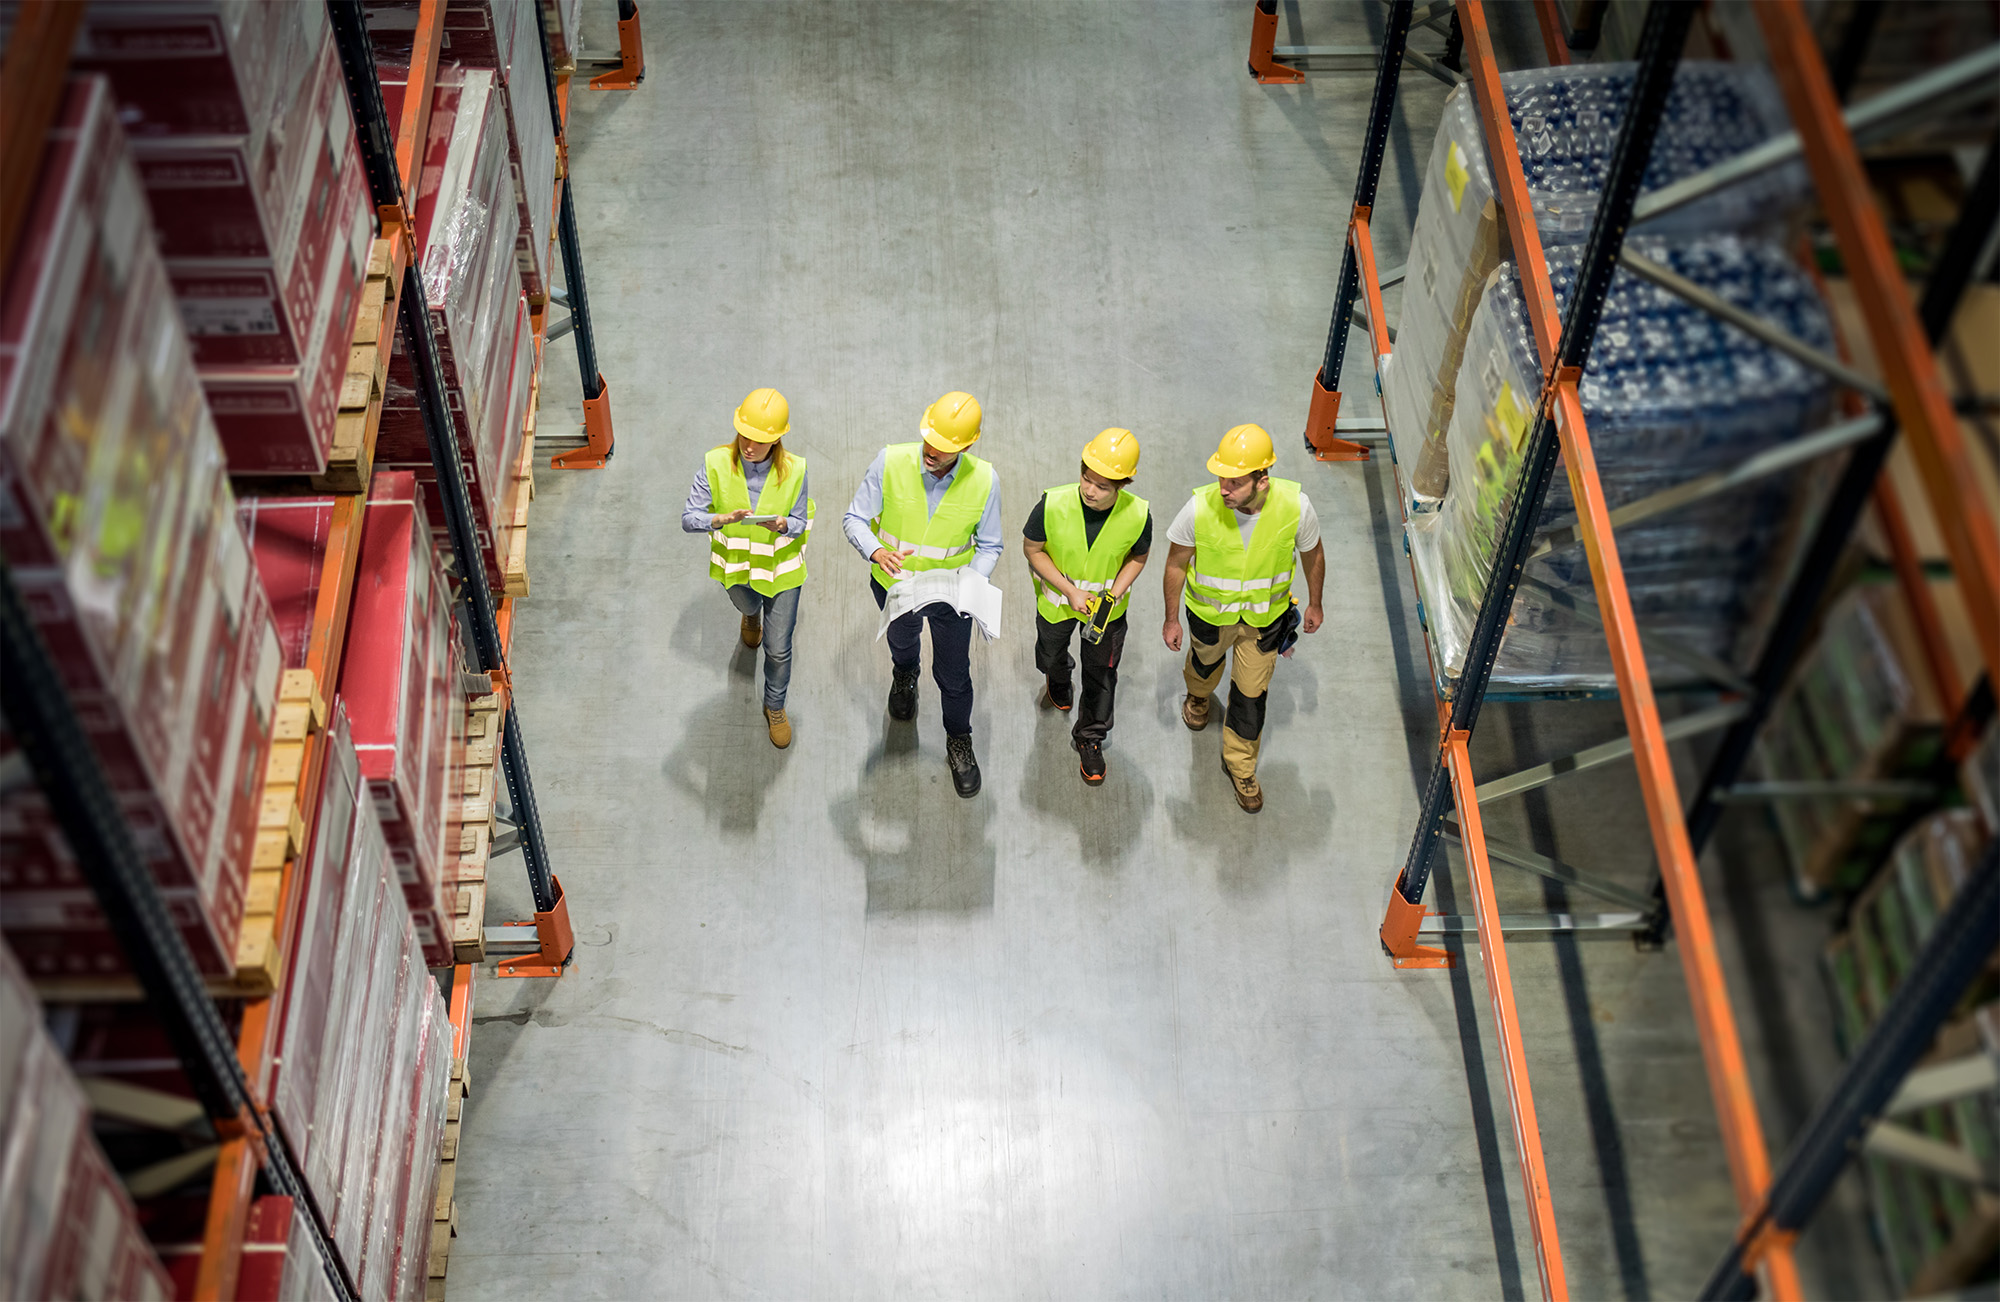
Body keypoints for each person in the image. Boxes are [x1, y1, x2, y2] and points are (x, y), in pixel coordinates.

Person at [843, 390, 1002, 797]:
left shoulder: (985, 480)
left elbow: (989, 545)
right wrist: (876, 551)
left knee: (954, 674)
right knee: (902, 642)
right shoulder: (891, 461)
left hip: (952, 598)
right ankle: (905, 674)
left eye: (946, 447)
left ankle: (958, 739)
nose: (932, 450)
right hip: (896, 588)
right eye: (929, 439)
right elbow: (855, 518)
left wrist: (970, 585)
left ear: (967, 446)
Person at [1159, 424, 1325, 813]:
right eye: (1220, 478)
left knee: (1250, 697)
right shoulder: (1198, 507)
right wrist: (1171, 619)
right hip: (1210, 618)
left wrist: (1315, 603)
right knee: (1203, 666)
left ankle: (1241, 766)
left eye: (1234, 482)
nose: (1223, 489)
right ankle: (1198, 697)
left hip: (1264, 622)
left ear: (1262, 480)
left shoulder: (1296, 507)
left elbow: (1313, 556)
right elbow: (1175, 564)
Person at [682, 387, 812, 749]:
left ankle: (775, 705)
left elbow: (802, 522)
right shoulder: (715, 463)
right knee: (748, 605)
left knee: (778, 649)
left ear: (776, 440)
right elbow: (688, 519)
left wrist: (786, 525)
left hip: (782, 572)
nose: (749, 446)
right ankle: (751, 614)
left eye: (759, 440)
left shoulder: (796, 469)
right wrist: (717, 519)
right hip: (738, 571)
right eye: (744, 436)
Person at [1022, 428, 1151, 785]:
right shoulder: (1053, 503)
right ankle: (1058, 673)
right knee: (1050, 653)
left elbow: (1138, 558)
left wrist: (1114, 592)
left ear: (1123, 485)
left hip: (1105, 615)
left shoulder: (1138, 514)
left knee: (1101, 674)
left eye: (1102, 486)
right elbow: (1033, 550)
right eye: (1086, 478)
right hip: (1058, 605)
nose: (1089, 490)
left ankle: (1091, 737)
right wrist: (1070, 591)